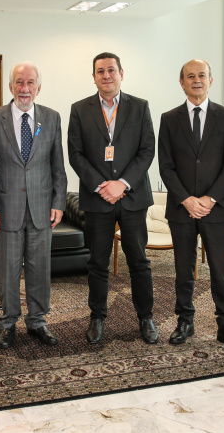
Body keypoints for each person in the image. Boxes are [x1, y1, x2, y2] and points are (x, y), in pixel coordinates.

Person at [67, 52, 157, 345]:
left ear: (122, 73)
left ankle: (146, 318)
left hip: (132, 198)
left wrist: (123, 184)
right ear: (93, 76)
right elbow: (75, 154)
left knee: (139, 262)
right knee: (97, 262)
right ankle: (97, 318)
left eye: (111, 70)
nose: (106, 75)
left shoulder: (140, 107)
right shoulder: (80, 109)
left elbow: (146, 151)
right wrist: (101, 185)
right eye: (100, 71)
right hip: (97, 200)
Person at [158, 59, 224, 352]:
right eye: (190, 76)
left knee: (221, 269)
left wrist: (209, 199)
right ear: (181, 82)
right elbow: (166, 167)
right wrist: (186, 199)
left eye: (202, 75)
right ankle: (185, 320)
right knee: (183, 269)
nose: (196, 80)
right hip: (182, 208)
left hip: (216, 208)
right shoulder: (169, 119)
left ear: (211, 80)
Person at [0, 62, 68, 349]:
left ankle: (38, 321)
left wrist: (59, 202)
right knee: (8, 269)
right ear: (10, 86)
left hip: (43, 208)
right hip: (6, 210)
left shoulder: (52, 118)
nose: (24, 88)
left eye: (30, 82)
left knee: (40, 267)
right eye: (19, 82)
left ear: (38, 88)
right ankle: (8, 323)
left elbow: (58, 166)